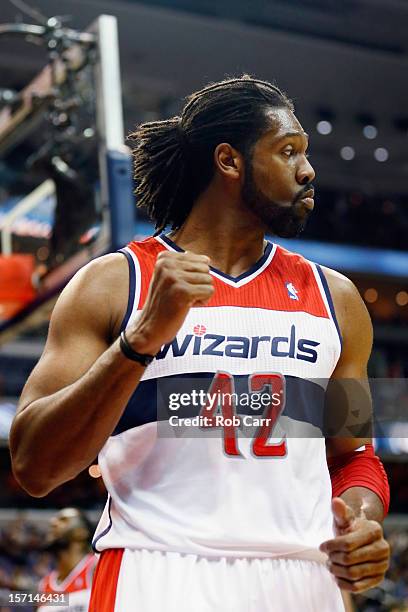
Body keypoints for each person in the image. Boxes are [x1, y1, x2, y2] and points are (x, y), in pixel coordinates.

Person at [10, 75, 390, 611]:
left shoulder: (337, 299)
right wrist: (139, 341)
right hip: (157, 571)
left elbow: (355, 456)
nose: (308, 170)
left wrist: (364, 524)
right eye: (288, 151)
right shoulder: (116, 283)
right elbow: (34, 465)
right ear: (229, 161)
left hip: (302, 580)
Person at [37, 507, 96, 612]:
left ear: (81, 532)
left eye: (63, 520)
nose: (53, 523)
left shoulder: (95, 567)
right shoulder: (44, 585)